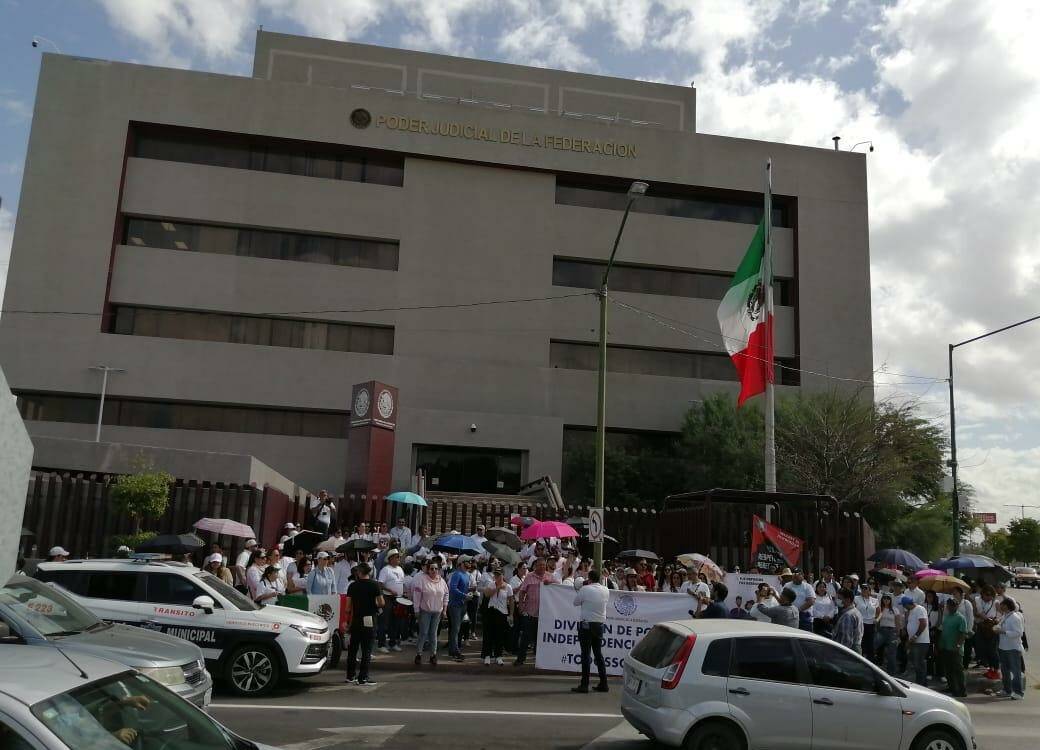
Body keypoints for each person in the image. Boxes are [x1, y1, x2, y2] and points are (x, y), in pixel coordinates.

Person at [345, 562, 383, 685]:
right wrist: (375, 605)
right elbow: (381, 603)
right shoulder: (375, 585)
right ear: (369, 572)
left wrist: (347, 621)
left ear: (359, 573)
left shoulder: (352, 586)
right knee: (366, 650)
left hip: (356, 619)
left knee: (353, 649)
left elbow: (348, 607)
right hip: (369, 618)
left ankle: (350, 676)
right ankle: (363, 677)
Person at [572, 569, 610, 693]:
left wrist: (583, 588)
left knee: (585, 655)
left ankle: (584, 685)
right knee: (598, 654)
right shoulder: (606, 590)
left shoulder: (585, 589)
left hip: (586, 625)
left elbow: (575, 602)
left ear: (589, 578)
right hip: (599, 625)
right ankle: (604, 683)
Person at [514, 557, 553, 666]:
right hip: (530, 613)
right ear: (535, 566)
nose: (542, 567)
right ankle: (520, 659)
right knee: (526, 637)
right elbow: (522, 592)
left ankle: (541, 661)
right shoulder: (529, 576)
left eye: (544, 565)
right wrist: (521, 605)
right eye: (540, 565)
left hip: (544, 614)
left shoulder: (549, 576)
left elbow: (558, 588)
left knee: (541, 639)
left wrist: (550, 582)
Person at [411, 560, 448, 665]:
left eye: (436, 568)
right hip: (425, 611)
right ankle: (419, 654)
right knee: (423, 633)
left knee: (433, 634)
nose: (434, 570)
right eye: (432, 568)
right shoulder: (421, 580)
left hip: (437, 612)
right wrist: (416, 610)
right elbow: (417, 596)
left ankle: (433, 655)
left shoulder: (442, 581)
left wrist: (444, 610)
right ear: (428, 569)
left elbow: (446, 595)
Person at [993, 597, 1025, 699]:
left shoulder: (1015, 617)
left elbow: (1018, 632)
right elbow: (1000, 625)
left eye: (1002, 605)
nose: (1000, 606)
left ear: (1007, 606)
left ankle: (1018, 693)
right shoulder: (1005, 616)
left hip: (1013, 648)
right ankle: (1007, 690)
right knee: (1005, 670)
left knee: (1015, 671)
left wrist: (1003, 632)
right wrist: (996, 628)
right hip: (1003, 647)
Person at [481, 568, 513, 665]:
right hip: (491, 611)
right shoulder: (491, 584)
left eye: (499, 575)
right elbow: (487, 594)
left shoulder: (508, 587)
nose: (497, 577)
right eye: (496, 575)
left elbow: (511, 601)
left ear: (503, 575)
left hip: (502, 612)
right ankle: (487, 655)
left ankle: (498, 656)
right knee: (488, 634)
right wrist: (498, 588)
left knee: (500, 635)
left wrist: (511, 614)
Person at [938, 598, 968, 698]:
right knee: (948, 669)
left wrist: (958, 645)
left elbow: (963, 633)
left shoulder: (960, 618)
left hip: (956, 648)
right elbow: (943, 630)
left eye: (953, 605)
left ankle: (962, 690)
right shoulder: (946, 616)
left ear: (956, 606)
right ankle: (952, 687)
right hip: (946, 646)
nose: (950, 607)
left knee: (958, 670)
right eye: (949, 605)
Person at [377, 550, 406, 653]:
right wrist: (390, 590)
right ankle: (381, 644)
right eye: (397, 557)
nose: (398, 558)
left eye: (399, 557)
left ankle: (393, 643)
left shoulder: (400, 569)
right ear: (391, 558)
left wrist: (404, 591)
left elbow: (402, 582)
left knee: (395, 622)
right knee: (384, 622)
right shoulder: (385, 570)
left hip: (398, 598)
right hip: (387, 597)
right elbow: (380, 584)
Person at [447, 558, 472, 662]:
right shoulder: (457, 574)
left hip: (463, 604)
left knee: (457, 628)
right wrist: (464, 595)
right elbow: (453, 588)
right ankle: (455, 651)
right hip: (455, 605)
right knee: (456, 628)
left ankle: (453, 650)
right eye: (467, 562)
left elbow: (463, 588)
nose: (469, 564)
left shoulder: (466, 575)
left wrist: (470, 591)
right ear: (461, 563)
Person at [903, 594, 930, 686]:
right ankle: (921, 682)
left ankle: (921, 684)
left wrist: (915, 636)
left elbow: (923, 624)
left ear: (907, 604)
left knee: (919, 663)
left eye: (904, 605)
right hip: (914, 641)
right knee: (916, 663)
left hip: (921, 641)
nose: (904, 607)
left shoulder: (919, 609)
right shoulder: (911, 611)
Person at [875, 593, 901, 673]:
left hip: (892, 632)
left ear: (890, 600)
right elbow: (877, 620)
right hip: (882, 631)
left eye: (888, 598)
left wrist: (898, 635)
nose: (886, 600)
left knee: (892, 653)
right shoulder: (880, 608)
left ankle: (891, 672)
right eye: (884, 598)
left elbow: (898, 623)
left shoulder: (895, 609)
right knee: (872, 647)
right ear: (882, 599)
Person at [833, 588, 864, 653]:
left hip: (849, 651)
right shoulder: (856, 611)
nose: (838, 600)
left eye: (840, 598)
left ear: (848, 599)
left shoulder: (848, 615)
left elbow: (846, 640)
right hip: (855, 648)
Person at [854, 583, 878, 659]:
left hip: (871, 624)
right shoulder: (856, 598)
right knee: (861, 643)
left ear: (869, 590)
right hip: (860, 624)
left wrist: (876, 619)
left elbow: (879, 611)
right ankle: (860, 659)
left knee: (870, 644)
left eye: (866, 588)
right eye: (862, 588)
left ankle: (870, 661)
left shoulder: (875, 600)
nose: (864, 590)